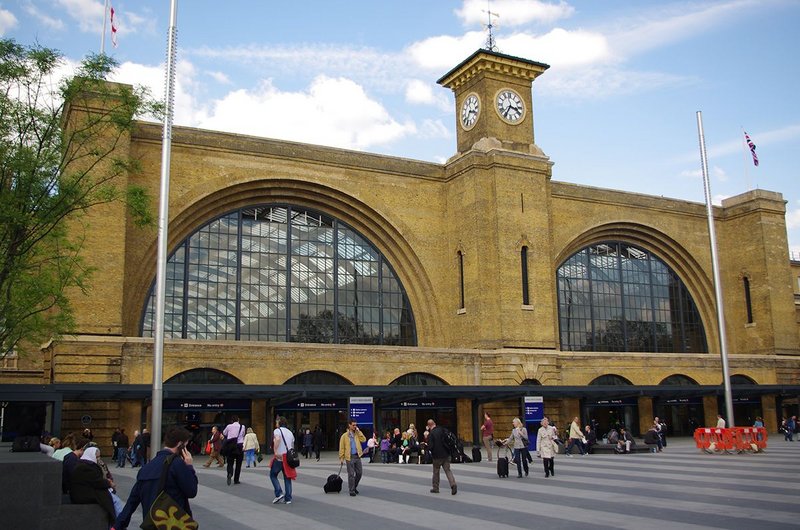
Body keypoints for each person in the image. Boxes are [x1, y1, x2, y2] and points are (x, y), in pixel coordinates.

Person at [114, 427, 198, 530]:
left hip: (151, 524)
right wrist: (189, 467)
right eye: (186, 446)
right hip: (172, 524)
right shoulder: (177, 464)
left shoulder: (146, 468)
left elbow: (132, 501)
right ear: (180, 445)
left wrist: (118, 525)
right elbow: (192, 491)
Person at [70, 446, 123, 525]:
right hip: (84, 494)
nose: (98, 458)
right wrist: (109, 484)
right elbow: (97, 481)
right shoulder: (85, 467)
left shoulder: (84, 464)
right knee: (115, 501)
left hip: (86, 490)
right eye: (97, 457)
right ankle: (119, 523)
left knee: (113, 499)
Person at [426, 419, 457, 495]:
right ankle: (453, 484)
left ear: (429, 426)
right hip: (446, 454)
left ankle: (435, 488)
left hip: (437, 456)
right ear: (435, 423)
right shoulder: (442, 430)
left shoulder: (431, 433)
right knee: (448, 470)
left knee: (436, 471)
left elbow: (430, 446)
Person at [270, 416, 295, 505]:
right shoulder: (290, 432)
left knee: (273, 475)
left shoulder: (277, 430)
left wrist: (275, 451)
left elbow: (277, 439)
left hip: (280, 457)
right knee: (287, 477)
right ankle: (288, 498)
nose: (276, 423)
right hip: (288, 458)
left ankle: (278, 493)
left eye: (277, 422)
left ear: (279, 423)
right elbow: (292, 445)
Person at [338, 418, 366, 496]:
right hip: (349, 457)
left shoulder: (357, 434)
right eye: (353, 425)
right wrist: (341, 458)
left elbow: (364, 440)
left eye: (355, 425)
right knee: (351, 474)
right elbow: (342, 447)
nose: (354, 426)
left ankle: (354, 486)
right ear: (349, 425)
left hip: (357, 456)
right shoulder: (344, 436)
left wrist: (358, 431)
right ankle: (352, 490)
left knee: (359, 473)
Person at [222, 415, 245, 485]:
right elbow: (243, 434)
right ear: (238, 420)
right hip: (239, 446)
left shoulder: (229, 426)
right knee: (239, 463)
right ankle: (236, 479)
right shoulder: (242, 427)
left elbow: (224, 433)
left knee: (230, 462)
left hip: (231, 446)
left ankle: (230, 473)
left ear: (232, 421)